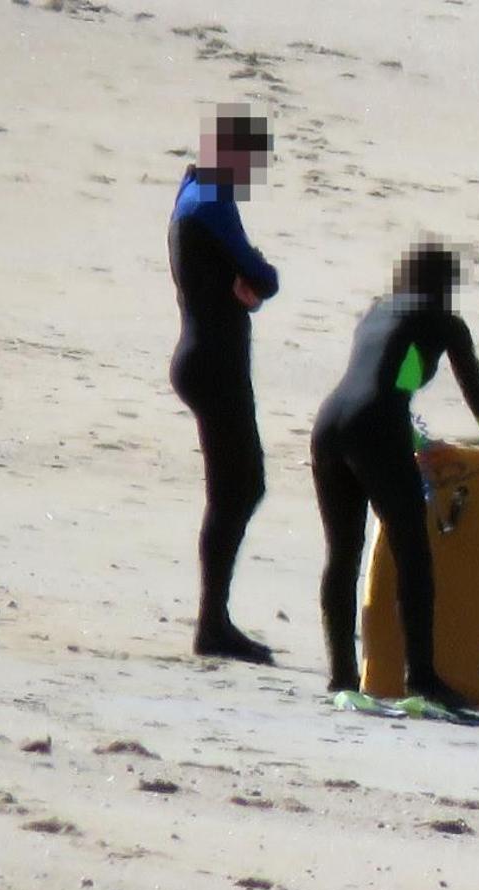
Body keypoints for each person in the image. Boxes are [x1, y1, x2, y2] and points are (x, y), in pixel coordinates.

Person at [311, 241, 479, 708]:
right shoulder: (445, 324)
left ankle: (342, 676)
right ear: (447, 286)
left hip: (329, 425)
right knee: (413, 554)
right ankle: (421, 676)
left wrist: (419, 443)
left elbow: (379, 381)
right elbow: (476, 394)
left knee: (343, 553)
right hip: (376, 427)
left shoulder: (376, 311)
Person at [167, 104, 278, 665]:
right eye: (254, 161)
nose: (255, 173)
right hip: (214, 363)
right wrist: (255, 280)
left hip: (204, 356)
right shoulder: (213, 201)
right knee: (240, 487)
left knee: (237, 488)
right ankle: (212, 623)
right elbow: (263, 278)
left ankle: (215, 619)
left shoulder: (193, 193)